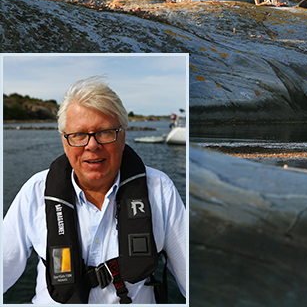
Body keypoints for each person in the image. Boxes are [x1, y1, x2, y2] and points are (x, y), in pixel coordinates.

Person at [3, 76, 187, 304]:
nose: (92, 145)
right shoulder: (35, 192)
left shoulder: (159, 191)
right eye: (79, 134)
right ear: (64, 141)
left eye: (105, 132)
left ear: (123, 136)